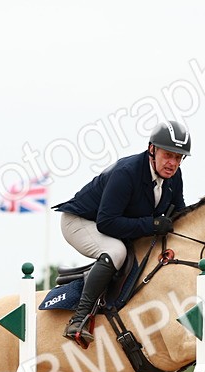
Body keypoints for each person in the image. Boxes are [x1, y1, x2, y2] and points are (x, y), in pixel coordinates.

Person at [53, 120, 191, 347]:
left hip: (110, 224)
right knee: (116, 252)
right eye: (168, 155)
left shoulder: (174, 177)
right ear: (152, 149)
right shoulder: (126, 173)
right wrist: (152, 224)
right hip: (80, 222)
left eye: (178, 157)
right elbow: (107, 223)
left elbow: (179, 214)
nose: (172, 163)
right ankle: (79, 318)